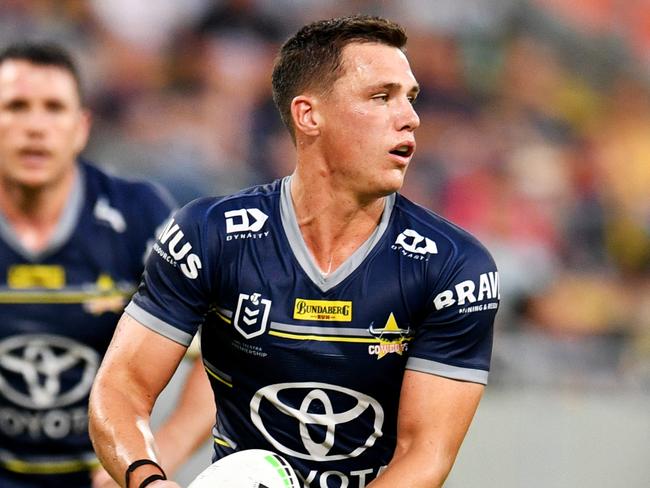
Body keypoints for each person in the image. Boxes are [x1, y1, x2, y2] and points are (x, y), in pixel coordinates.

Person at [89, 15, 500, 488]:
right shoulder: (209, 236)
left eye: (410, 98)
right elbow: (122, 387)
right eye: (381, 96)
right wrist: (148, 481)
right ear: (309, 115)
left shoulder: (454, 267)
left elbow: (426, 454)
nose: (410, 117)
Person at [0, 42, 214, 488]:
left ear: (81, 128)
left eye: (53, 108)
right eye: (16, 106)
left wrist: (146, 465)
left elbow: (221, 356)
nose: (35, 127)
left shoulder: (138, 213)